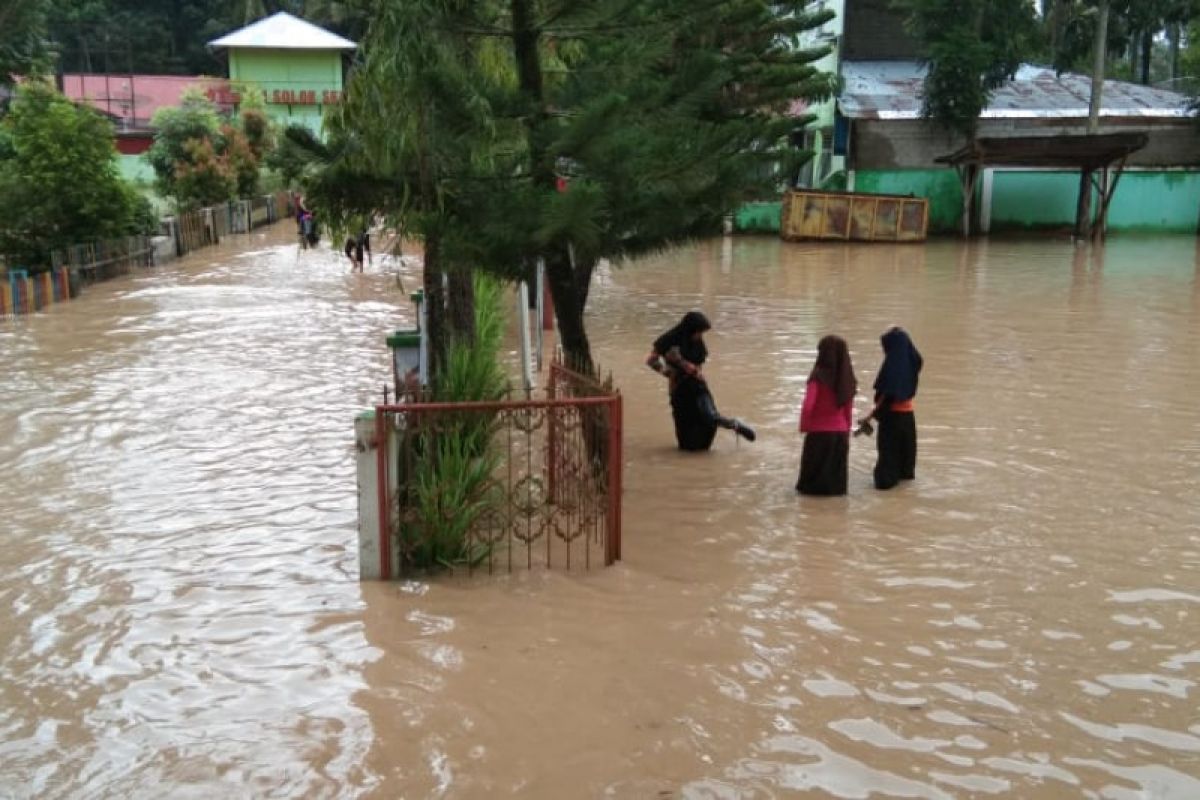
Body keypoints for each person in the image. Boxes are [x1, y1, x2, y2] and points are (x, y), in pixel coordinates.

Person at [646, 311, 755, 451]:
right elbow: (651, 360)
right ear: (690, 329)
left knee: (709, 419)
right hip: (679, 389)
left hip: (698, 385)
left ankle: (733, 424)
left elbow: (698, 364)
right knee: (685, 442)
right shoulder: (668, 339)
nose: (700, 336)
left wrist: (694, 370)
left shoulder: (697, 340)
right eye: (698, 332)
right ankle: (731, 425)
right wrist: (668, 373)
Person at [858, 326, 923, 490]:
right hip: (908, 417)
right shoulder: (910, 364)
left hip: (892, 419)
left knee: (887, 470)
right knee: (905, 465)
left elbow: (887, 397)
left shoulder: (892, 367)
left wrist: (870, 416)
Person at [797, 335, 856, 496]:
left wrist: (804, 426)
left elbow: (809, 406)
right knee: (836, 490)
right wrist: (847, 432)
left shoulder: (817, 377)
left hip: (818, 434)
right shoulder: (847, 380)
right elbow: (848, 410)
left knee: (810, 489)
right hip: (840, 435)